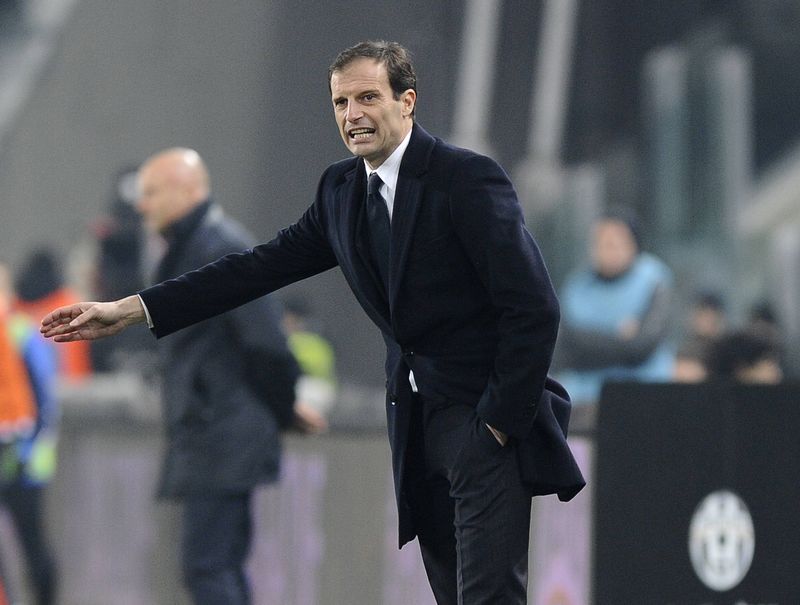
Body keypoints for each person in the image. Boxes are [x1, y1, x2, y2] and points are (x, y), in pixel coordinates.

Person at [41, 41, 585, 604]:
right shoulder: (340, 191)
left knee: (490, 599)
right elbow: (255, 270)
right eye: (341, 102)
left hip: (480, 424)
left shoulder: (465, 178)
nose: (353, 116)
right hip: (416, 428)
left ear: (408, 102)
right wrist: (130, 309)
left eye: (368, 97)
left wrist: (496, 423)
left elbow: (534, 307)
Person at [132, 148, 328, 604]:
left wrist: (281, 406)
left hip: (223, 434)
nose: (142, 205)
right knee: (217, 566)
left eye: (152, 192)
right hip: (214, 432)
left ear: (189, 189)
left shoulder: (218, 247)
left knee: (208, 567)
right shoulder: (193, 246)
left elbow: (268, 344)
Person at [553, 209, 676, 403]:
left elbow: (641, 347)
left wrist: (590, 340)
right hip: (584, 396)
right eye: (600, 243)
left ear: (634, 244)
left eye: (615, 243)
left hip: (643, 393)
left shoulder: (654, 279)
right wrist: (620, 338)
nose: (607, 250)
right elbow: (565, 346)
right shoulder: (577, 287)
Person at [0, 264, 59, 605]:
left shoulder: (22, 333)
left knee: (33, 547)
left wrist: (29, 451)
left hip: (23, 460)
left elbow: (44, 401)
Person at [673, 290, 727, 383]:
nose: (705, 321)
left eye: (710, 317)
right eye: (702, 316)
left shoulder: (725, 352)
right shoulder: (686, 349)